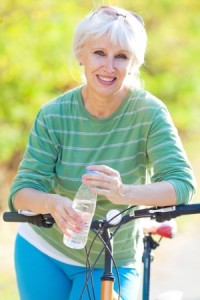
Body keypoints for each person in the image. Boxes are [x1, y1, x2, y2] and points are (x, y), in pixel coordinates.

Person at [8, 5, 196, 300]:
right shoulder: (54, 115)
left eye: (121, 56)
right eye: (99, 53)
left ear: (133, 63)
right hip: (44, 250)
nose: (109, 67)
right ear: (81, 54)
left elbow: (182, 185)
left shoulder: (149, 113)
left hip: (113, 259)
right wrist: (52, 203)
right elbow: (21, 192)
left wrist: (124, 193)